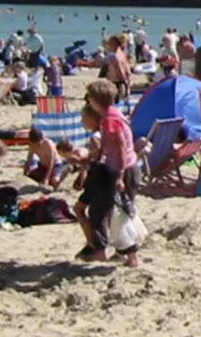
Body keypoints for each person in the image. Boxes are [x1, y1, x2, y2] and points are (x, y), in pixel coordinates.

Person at [80, 80, 140, 267]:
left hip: (122, 169)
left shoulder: (109, 120)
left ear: (95, 100)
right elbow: (111, 147)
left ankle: (129, 257)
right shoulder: (113, 114)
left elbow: (121, 148)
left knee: (112, 212)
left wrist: (120, 176)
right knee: (115, 211)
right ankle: (124, 255)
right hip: (124, 166)